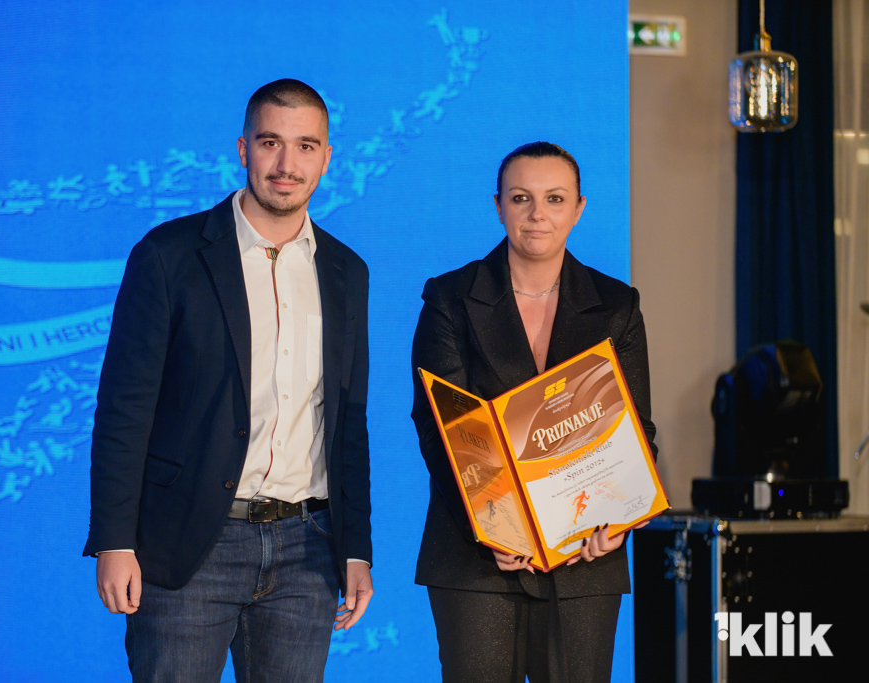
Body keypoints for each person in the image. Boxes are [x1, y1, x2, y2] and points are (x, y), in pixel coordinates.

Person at [83, 78, 373, 683]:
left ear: (326, 157)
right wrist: (114, 539)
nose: (287, 164)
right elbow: (124, 408)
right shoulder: (169, 254)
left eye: (305, 146)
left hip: (308, 549)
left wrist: (355, 548)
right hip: (190, 544)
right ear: (244, 149)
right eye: (270, 142)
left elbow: (347, 422)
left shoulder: (347, 271)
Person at [410, 141, 657, 683]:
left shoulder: (618, 306)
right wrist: (496, 528)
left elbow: (636, 430)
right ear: (498, 205)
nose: (537, 213)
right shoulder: (449, 299)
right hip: (478, 559)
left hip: (586, 557)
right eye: (521, 198)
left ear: (579, 208)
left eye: (555, 198)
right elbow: (440, 428)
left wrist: (618, 517)